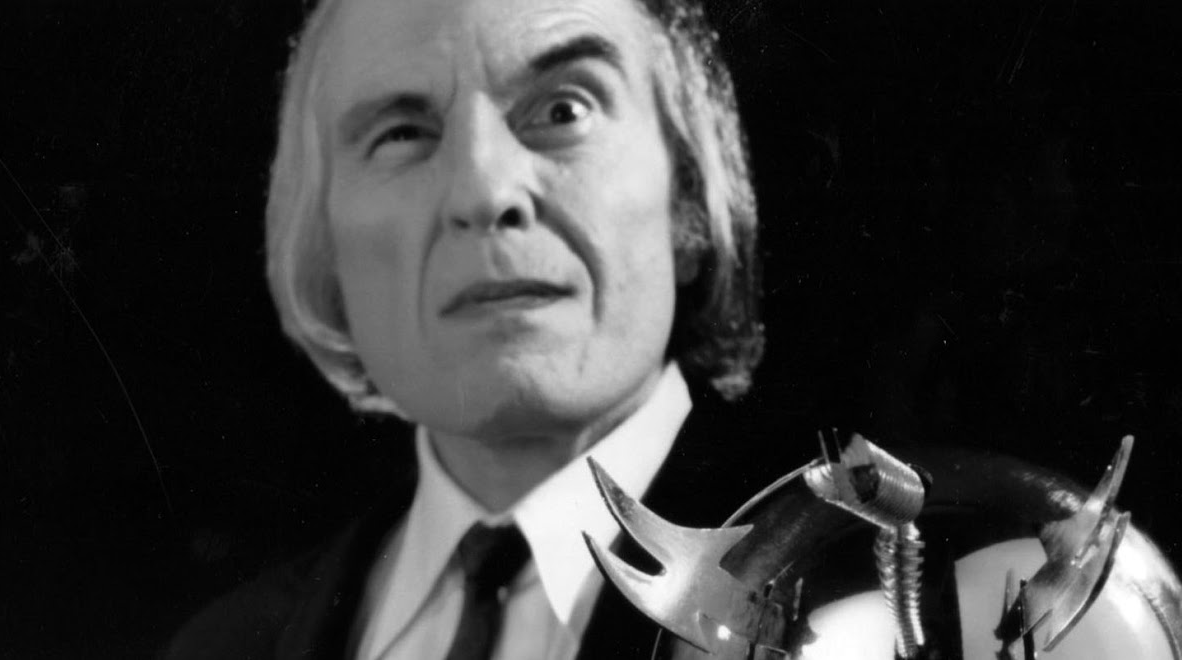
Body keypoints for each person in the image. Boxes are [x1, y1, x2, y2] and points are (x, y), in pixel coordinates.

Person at [164, 0, 812, 657]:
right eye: (402, 134)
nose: (483, 191)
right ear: (326, 243)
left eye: (564, 111)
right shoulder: (220, 646)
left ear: (689, 201)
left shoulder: (852, 581)